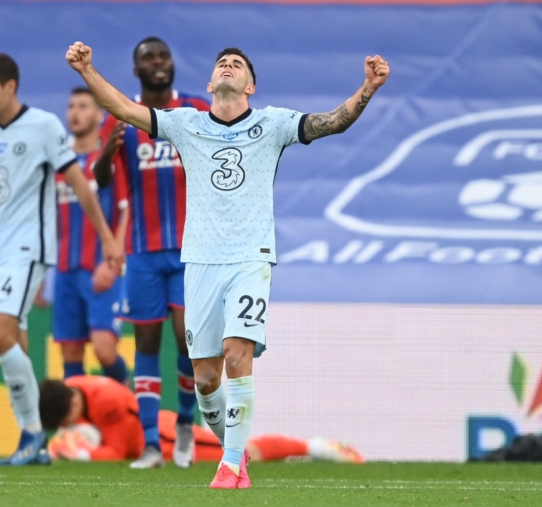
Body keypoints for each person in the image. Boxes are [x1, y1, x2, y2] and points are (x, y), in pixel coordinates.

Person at [65, 41, 389, 488]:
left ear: (250, 85)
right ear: (209, 83)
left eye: (237, 64)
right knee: (205, 380)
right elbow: (122, 107)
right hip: (199, 261)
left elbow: (330, 123)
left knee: (238, 356)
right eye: (222, 63)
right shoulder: (186, 124)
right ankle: (232, 451)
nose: (228, 66)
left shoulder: (273, 123)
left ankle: (231, 462)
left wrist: (367, 88)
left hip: (250, 258)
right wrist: (88, 71)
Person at [0, 53, 123, 466]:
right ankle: (35, 442)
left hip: (29, 248)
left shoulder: (43, 126)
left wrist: (109, 239)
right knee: (14, 343)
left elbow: (79, 184)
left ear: (9, 87)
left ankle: (32, 431)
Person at [93, 37, 211, 470]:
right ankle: (148, 445)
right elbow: (102, 180)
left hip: (188, 249)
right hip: (141, 251)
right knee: (145, 341)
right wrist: (106, 154)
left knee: (186, 337)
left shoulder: (196, 110)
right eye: (149, 58)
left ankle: (183, 422)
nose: (158, 63)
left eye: (163, 56)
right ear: (136, 69)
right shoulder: (122, 116)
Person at [39, 377, 363, 465]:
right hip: (158, 431)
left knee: (242, 454)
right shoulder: (77, 386)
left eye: (66, 421)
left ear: (73, 404)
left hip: (165, 442)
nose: (69, 426)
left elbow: (119, 450)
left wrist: (81, 454)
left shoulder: (106, 402)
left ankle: (316, 446)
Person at [51, 87, 129, 383]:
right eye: (71, 106)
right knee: (70, 353)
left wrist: (112, 262)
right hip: (65, 271)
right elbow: (51, 221)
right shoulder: (59, 163)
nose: (75, 112)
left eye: (84, 106)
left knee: (104, 350)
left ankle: (124, 402)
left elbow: (126, 210)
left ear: (100, 115)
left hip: (100, 268)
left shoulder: (107, 158)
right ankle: (79, 425)